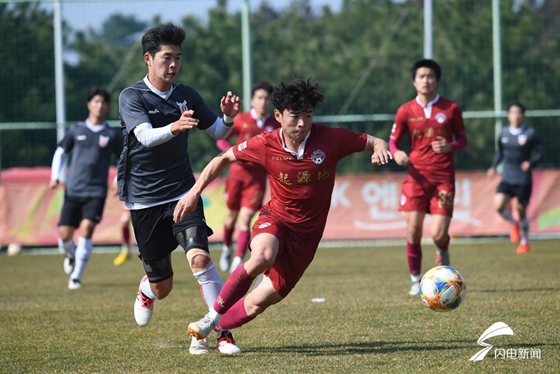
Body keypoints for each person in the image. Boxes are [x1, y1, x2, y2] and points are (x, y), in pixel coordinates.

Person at [172, 78, 392, 342]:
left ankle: (215, 331)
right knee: (262, 255)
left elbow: (375, 141)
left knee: (257, 302)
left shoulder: (331, 139)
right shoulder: (265, 143)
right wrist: (194, 193)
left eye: (308, 116)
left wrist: (380, 149)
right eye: (295, 116)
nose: (302, 123)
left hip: (307, 238)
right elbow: (223, 158)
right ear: (278, 115)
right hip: (275, 219)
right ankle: (212, 317)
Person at [117, 23, 242, 355]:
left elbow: (218, 130)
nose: (173, 65)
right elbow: (144, 136)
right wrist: (174, 126)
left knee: (200, 260)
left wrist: (228, 119)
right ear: (148, 59)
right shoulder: (132, 96)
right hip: (144, 201)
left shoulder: (186, 94)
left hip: (183, 193)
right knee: (164, 285)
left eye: (178, 58)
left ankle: (223, 332)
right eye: (167, 57)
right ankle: (148, 289)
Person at [388, 59, 468, 296]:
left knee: (438, 234)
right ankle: (415, 280)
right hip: (416, 178)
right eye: (421, 76)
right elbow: (392, 141)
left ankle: (442, 252)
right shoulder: (405, 110)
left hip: (443, 179)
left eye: (430, 76)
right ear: (414, 81)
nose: (426, 80)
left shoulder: (450, 108)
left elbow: (463, 141)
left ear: (437, 80)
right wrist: (397, 153)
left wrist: (450, 146)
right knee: (413, 230)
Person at [50, 87, 122, 290]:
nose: (99, 106)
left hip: (96, 191)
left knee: (87, 228)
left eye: (103, 102)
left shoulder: (112, 134)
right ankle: (71, 254)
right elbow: (61, 152)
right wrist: (55, 176)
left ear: (107, 106)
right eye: (96, 102)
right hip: (73, 190)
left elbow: (123, 160)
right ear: (89, 104)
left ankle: (76, 277)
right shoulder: (76, 130)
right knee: (65, 235)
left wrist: (117, 179)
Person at [217, 80, 280, 274]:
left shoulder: (274, 124)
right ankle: (227, 248)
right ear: (252, 100)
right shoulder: (242, 119)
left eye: (267, 99)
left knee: (245, 220)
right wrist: (231, 154)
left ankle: (238, 260)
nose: (263, 102)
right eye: (259, 98)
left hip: (257, 180)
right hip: (236, 177)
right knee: (231, 219)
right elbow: (221, 139)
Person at [487, 102, 543, 254]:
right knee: (499, 206)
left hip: (523, 178)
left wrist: (531, 162)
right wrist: (493, 167)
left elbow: (540, 152)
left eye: (519, 113)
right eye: (513, 113)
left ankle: (525, 242)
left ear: (523, 116)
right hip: (507, 177)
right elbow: (499, 152)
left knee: (521, 210)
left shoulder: (530, 133)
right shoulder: (504, 132)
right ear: (509, 115)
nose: (516, 116)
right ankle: (514, 224)